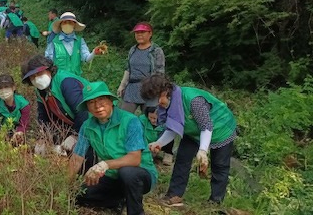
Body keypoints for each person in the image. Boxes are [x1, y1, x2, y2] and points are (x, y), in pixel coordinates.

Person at [141, 74, 237, 207]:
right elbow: (173, 127)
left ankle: (215, 202)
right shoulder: (166, 104)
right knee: (182, 159)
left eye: (157, 99)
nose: (156, 104)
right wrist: (159, 143)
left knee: (219, 165)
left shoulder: (193, 100)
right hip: (193, 131)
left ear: (165, 91)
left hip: (221, 128)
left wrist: (202, 150)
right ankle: (174, 195)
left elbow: (206, 126)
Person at [68, 81, 158, 215]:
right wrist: (64, 187)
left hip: (140, 174)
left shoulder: (130, 120)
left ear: (111, 101)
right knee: (79, 193)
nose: (97, 106)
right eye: (91, 102)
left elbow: (135, 159)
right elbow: (77, 158)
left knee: (127, 173)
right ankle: (117, 200)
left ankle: (136, 211)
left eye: (101, 100)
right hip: (111, 176)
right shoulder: (87, 126)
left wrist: (105, 164)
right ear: (87, 107)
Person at [21, 55, 91, 156]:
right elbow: (43, 115)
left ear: (49, 69)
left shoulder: (66, 83)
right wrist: (43, 137)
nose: (37, 79)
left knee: (84, 153)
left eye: (39, 73)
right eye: (32, 77)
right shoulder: (40, 90)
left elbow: (82, 111)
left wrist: (75, 136)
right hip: (69, 123)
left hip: (91, 122)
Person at [117, 22, 165, 114]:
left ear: (150, 33)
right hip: (132, 88)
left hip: (149, 89)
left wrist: (159, 91)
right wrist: (122, 85)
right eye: (137, 33)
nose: (139, 35)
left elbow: (160, 73)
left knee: (150, 119)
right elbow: (128, 68)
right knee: (123, 116)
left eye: (142, 32)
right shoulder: (133, 50)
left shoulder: (156, 51)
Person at [45, 12, 106, 76]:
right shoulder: (54, 42)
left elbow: (86, 58)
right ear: (61, 25)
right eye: (65, 22)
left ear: (74, 25)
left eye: (70, 22)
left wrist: (94, 53)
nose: (67, 24)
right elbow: (48, 62)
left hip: (76, 80)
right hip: (59, 80)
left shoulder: (79, 41)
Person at [0, 74, 30, 145]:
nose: (3, 90)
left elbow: (23, 125)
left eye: (6, 87)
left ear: (13, 87)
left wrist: (18, 133)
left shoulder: (23, 104)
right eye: (0, 88)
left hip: (15, 133)